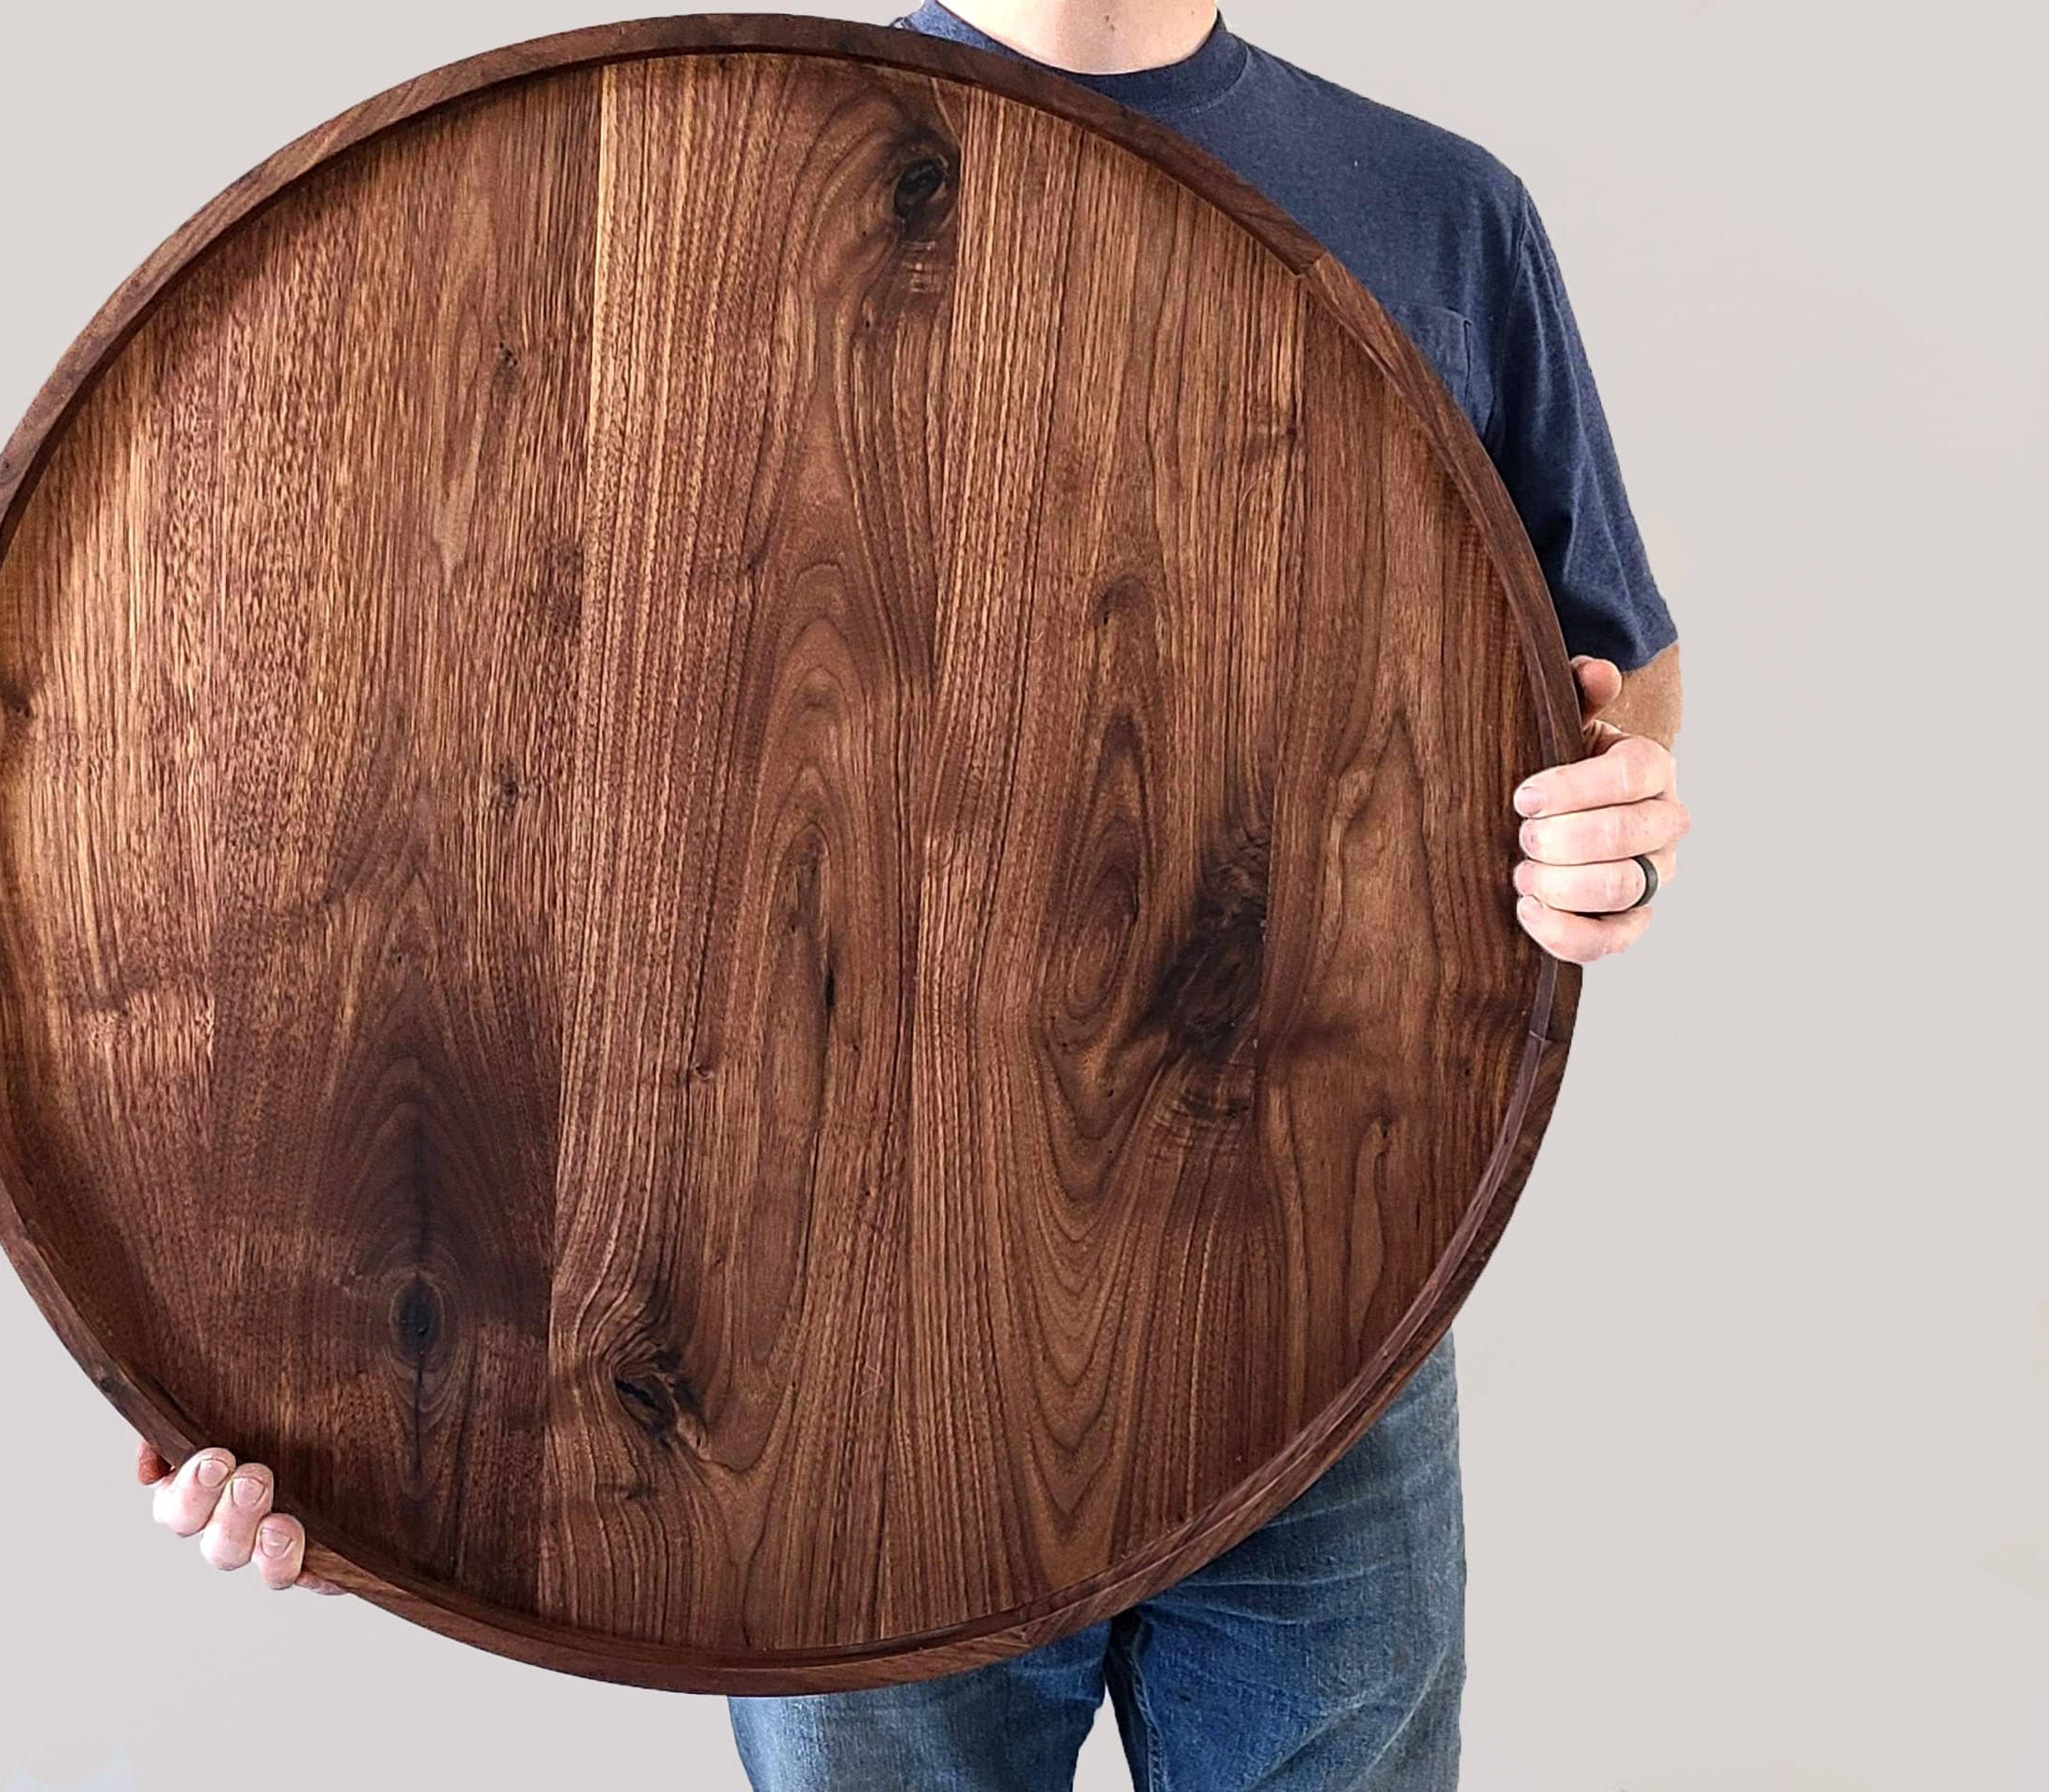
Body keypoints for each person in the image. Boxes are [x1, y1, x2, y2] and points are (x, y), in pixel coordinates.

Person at [137, 3, 1690, 1785]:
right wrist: (335, 1417)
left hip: (1318, 1296)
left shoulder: (1435, 212)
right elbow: (463, 777)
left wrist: (1609, 823)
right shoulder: (718, 155)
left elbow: (1598, 668)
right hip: (813, 1369)